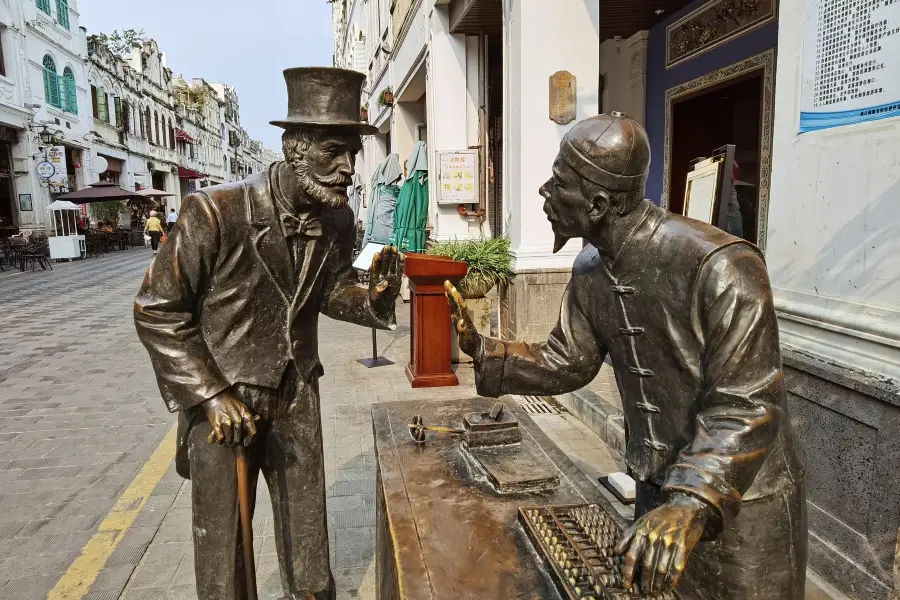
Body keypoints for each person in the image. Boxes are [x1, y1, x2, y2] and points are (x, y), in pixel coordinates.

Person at [446, 112, 807, 599]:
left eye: (558, 182)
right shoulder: (591, 268)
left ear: (596, 204)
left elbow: (745, 401)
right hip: (661, 489)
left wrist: (689, 502)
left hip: (739, 504)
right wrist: (483, 349)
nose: (543, 194)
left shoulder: (722, 266)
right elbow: (567, 360)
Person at [134, 68, 402, 600]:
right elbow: (157, 309)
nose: (349, 168)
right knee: (224, 554)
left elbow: (327, 290)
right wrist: (210, 395)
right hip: (225, 401)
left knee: (309, 542)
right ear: (295, 148)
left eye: (352, 152)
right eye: (335, 151)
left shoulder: (337, 218)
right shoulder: (214, 209)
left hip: (298, 392)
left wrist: (372, 298)